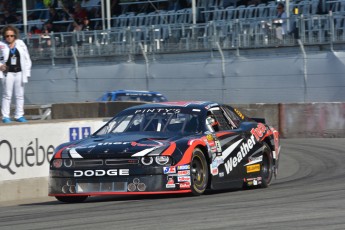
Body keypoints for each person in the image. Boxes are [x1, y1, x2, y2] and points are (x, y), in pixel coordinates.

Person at [0, 25, 32, 123]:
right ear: (4, 36)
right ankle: (5, 116)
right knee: (7, 95)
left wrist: (27, 71)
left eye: (11, 35)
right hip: (7, 72)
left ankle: (19, 115)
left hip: (19, 72)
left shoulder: (21, 43)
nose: (9, 38)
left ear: (15, 36)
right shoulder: (1, 44)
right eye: (7, 36)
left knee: (19, 95)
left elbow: (27, 58)